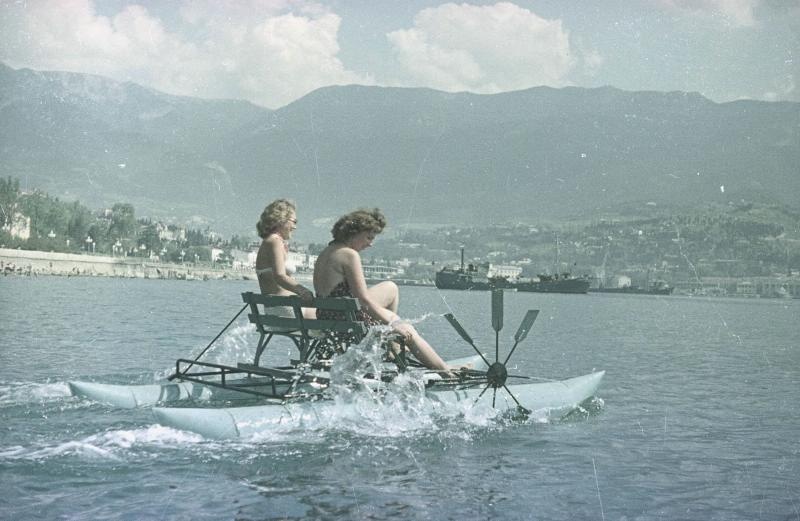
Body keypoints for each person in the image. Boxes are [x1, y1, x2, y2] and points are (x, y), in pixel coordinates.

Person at [313, 208, 452, 371]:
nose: (370, 243)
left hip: (329, 317)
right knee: (407, 329)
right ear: (354, 232)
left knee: (391, 287)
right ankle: (447, 373)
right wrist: (393, 324)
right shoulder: (349, 255)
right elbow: (363, 300)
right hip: (347, 320)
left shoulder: (327, 251)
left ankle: (391, 344)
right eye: (369, 237)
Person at [255, 199, 315, 318]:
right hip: (287, 310)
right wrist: (303, 291)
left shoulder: (269, 241)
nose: (295, 227)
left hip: (274, 310)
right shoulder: (274, 241)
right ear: (281, 220)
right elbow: (280, 276)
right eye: (294, 222)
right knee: (336, 322)